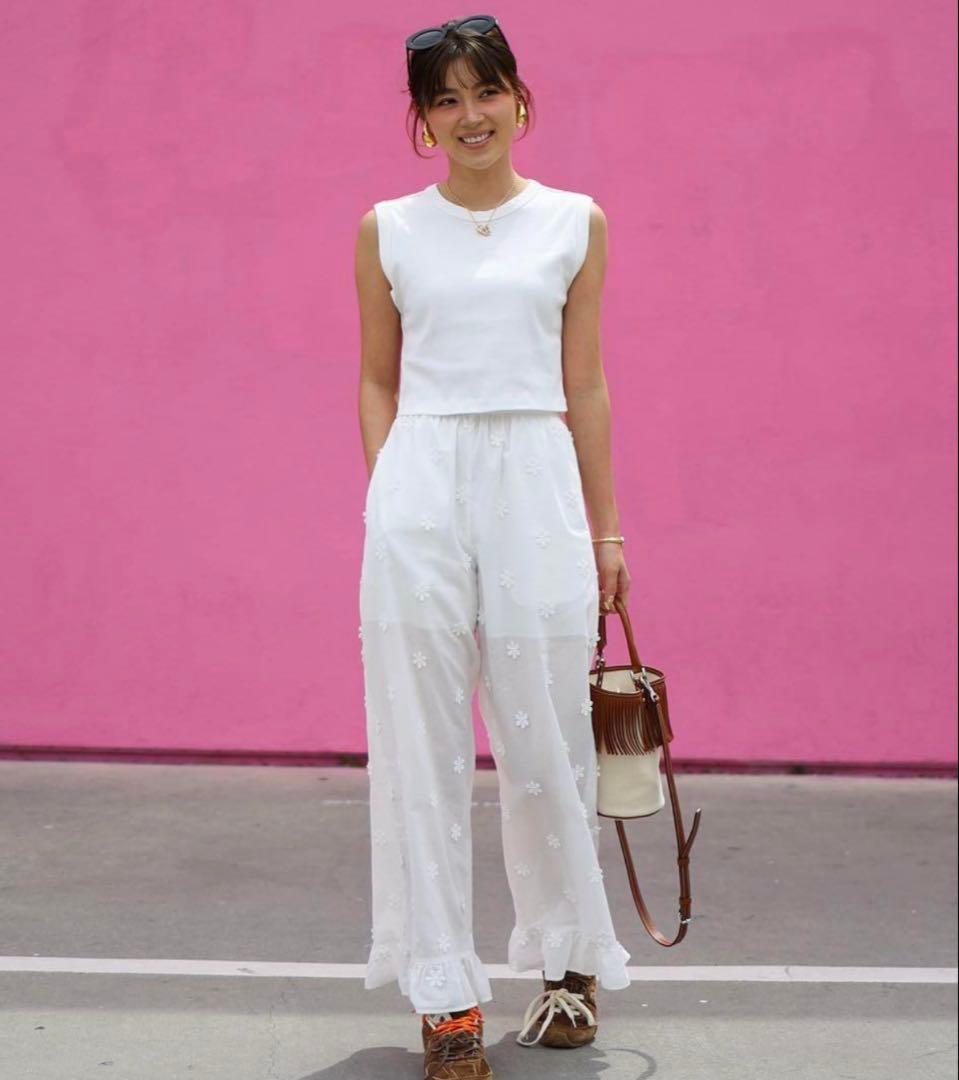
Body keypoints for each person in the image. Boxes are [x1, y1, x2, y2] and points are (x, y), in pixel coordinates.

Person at [354, 14, 632, 1078]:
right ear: (422, 121)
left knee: (545, 737)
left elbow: (585, 384)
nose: (469, 115)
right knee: (418, 743)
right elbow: (376, 376)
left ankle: (566, 969)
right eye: (445, 99)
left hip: (535, 481)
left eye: (484, 91)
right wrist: (388, 492)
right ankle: (444, 996)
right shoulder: (386, 229)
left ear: (519, 98)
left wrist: (606, 528)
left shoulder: (573, 221)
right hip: (419, 482)